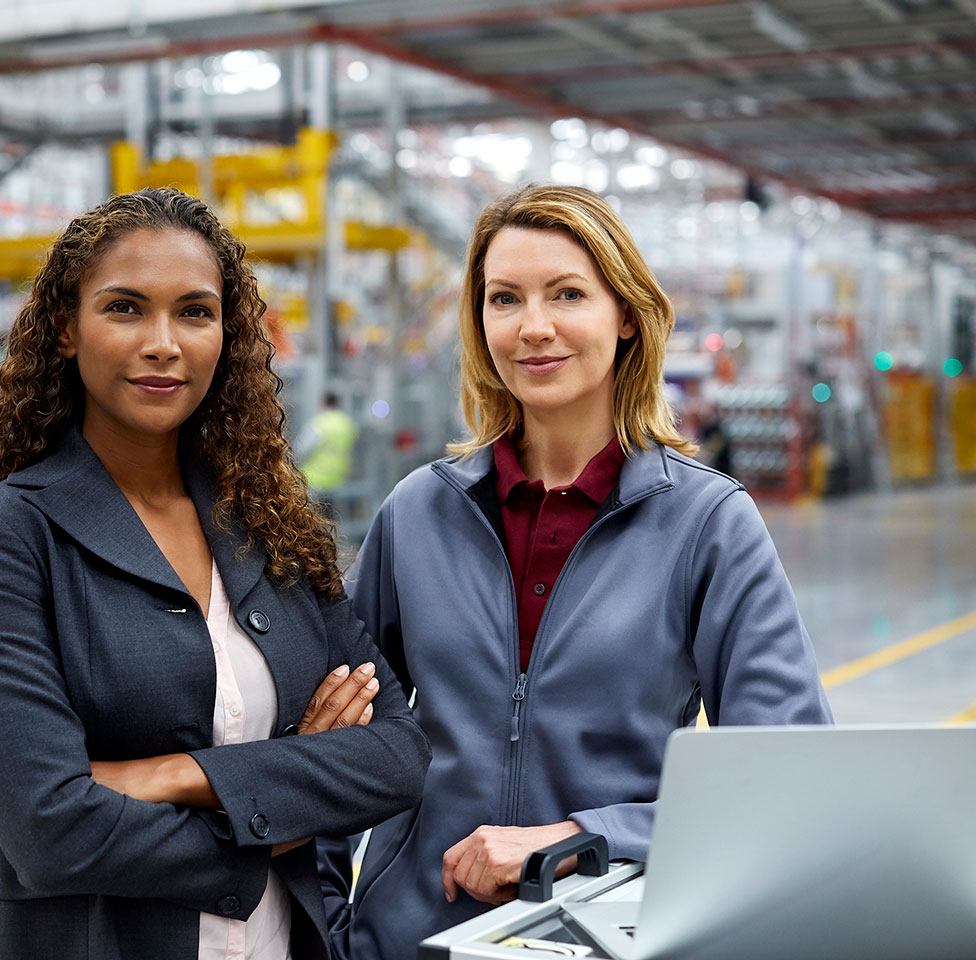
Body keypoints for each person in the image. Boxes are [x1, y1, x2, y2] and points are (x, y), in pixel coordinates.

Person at [318, 184, 831, 960]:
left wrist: (580, 836)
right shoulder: (416, 515)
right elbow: (329, 742)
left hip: (604, 936)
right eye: (504, 299)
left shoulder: (708, 525)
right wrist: (331, 929)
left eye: (567, 294)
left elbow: (786, 781)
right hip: (411, 941)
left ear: (626, 316)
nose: (534, 327)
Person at [0, 187, 429, 960]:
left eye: (195, 312)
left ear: (227, 335)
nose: (164, 342)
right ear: (66, 330)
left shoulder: (268, 520)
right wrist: (290, 796)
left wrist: (169, 775)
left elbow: (396, 758)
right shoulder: (4, 534)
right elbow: (49, 830)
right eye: (126, 309)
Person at [297, 392, 358, 515]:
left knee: (314, 518)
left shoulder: (319, 423)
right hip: (339, 478)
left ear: (323, 403)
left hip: (315, 479)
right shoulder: (347, 424)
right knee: (333, 517)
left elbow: (301, 449)